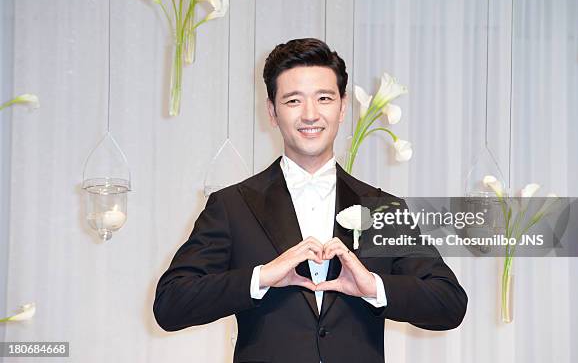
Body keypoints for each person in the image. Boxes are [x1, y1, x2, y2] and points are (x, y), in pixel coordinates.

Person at [153, 38, 468, 363]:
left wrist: (372, 286)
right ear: (272, 112)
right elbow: (170, 303)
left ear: (342, 107)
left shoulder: (382, 207)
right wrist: (262, 276)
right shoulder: (232, 206)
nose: (310, 114)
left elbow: (449, 303)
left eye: (324, 98)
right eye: (293, 101)